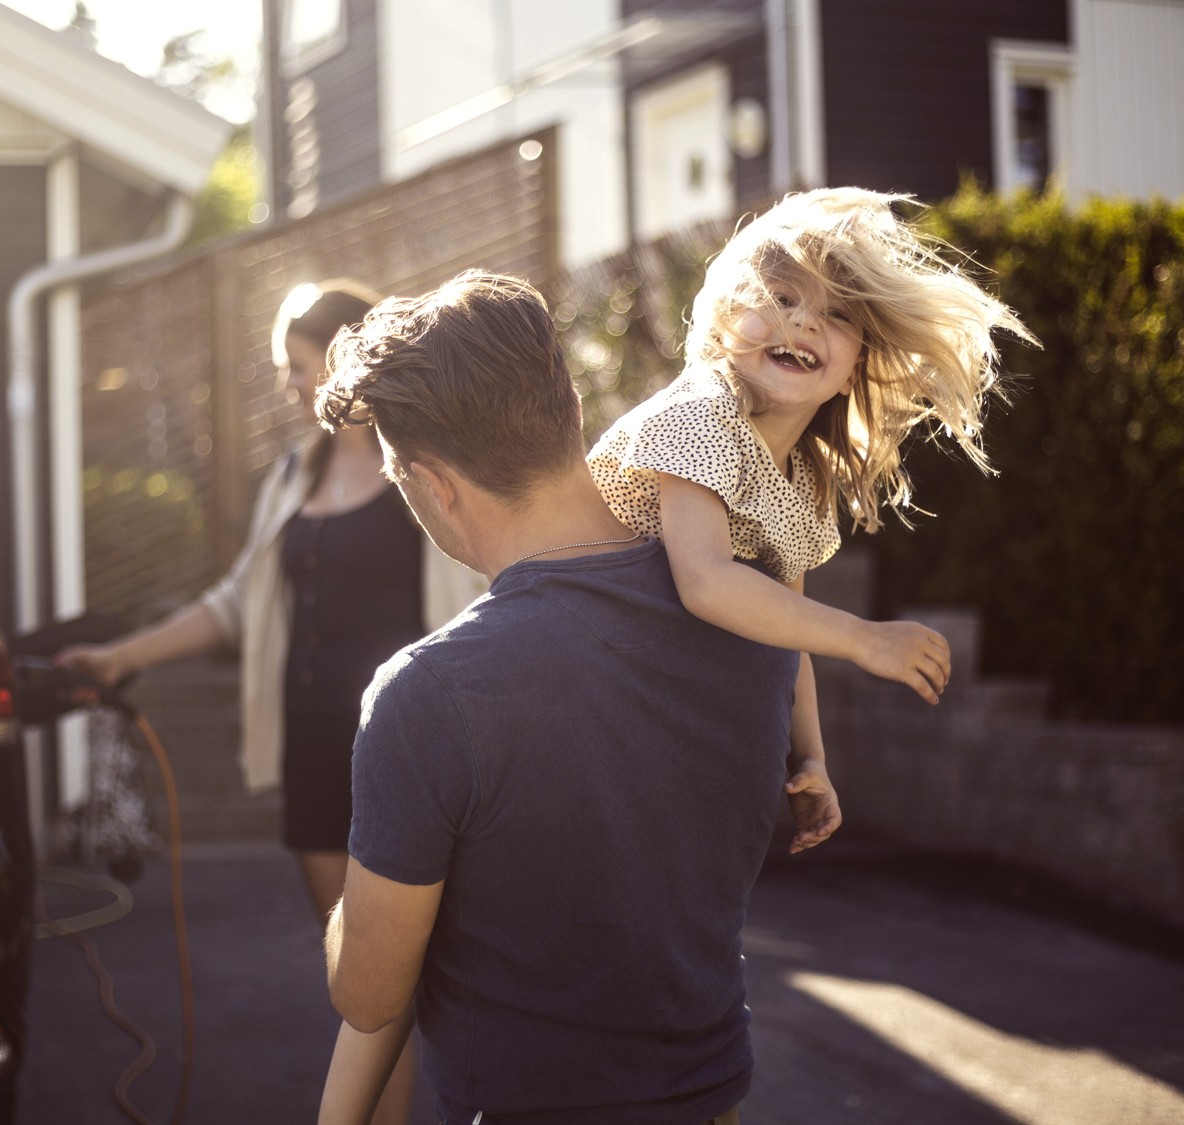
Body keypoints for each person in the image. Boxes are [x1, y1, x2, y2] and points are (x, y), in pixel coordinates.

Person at [316, 271, 821, 1125]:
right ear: (571, 413)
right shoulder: (758, 613)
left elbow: (366, 992)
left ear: (434, 484)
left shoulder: (430, 693)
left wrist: (374, 890)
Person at [59, 280, 480, 1125]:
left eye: (296, 364)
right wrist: (121, 656)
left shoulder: (430, 462)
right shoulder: (293, 473)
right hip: (317, 754)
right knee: (363, 984)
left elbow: (488, 587)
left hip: (417, 751)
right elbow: (236, 603)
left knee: (437, 972)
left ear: (347, 355)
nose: (288, 383)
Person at [587, 187, 1033, 842]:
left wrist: (813, 760)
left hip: (648, 708)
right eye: (781, 297)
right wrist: (865, 639)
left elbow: (786, 631)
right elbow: (706, 581)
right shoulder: (699, 411)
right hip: (573, 665)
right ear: (726, 323)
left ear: (853, 372)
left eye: (836, 314)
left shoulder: (801, 484)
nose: (802, 322)